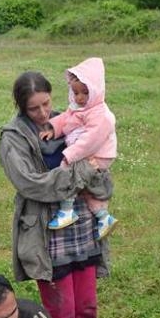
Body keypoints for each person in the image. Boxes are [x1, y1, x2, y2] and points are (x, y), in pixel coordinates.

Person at [0, 71, 113, 318]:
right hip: (46, 231)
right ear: (22, 107)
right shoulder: (13, 136)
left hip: (82, 224)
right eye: (34, 109)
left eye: (46, 104)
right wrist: (79, 174)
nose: (43, 113)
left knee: (87, 305)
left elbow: (98, 160)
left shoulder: (70, 121)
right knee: (61, 311)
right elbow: (31, 184)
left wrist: (95, 173)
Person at [39, 57, 118, 240]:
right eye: (76, 93)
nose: (80, 98)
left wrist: (71, 154)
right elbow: (66, 118)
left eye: (85, 92)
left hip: (97, 154)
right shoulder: (79, 108)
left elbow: (91, 140)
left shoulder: (101, 114)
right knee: (88, 187)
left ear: (96, 90)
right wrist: (53, 128)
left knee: (69, 172)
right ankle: (103, 218)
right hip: (89, 153)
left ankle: (67, 211)